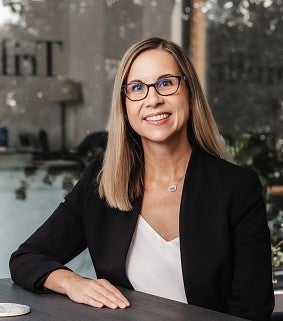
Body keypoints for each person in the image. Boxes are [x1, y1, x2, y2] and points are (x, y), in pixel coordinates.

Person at [10, 37, 274, 320]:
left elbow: (252, 308)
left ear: (190, 92)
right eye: (137, 88)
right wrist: (73, 283)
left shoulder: (236, 187)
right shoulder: (99, 182)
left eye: (166, 83)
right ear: (124, 105)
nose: (153, 99)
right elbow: (27, 259)